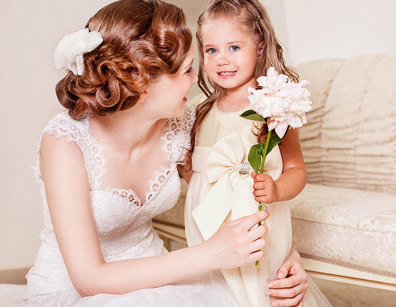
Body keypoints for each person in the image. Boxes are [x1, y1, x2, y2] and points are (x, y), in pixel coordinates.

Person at [0, 0, 310, 306]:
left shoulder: (184, 122)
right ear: (143, 81)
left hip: (160, 274)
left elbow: (234, 186)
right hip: (81, 289)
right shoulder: (64, 142)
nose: (195, 80)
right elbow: (89, 280)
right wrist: (212, 253)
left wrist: (280, 253)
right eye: (187, 70)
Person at [181, 0, 330, 306]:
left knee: (259, 289)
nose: (222, 59)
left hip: (257, 227)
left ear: (260, 47)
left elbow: (297, 171)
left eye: (234, 47)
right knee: (216, 293)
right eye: (211, 50)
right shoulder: (199, 109)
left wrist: (275, 189)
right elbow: (197, 171)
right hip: (209, 230)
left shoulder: (274, 107)